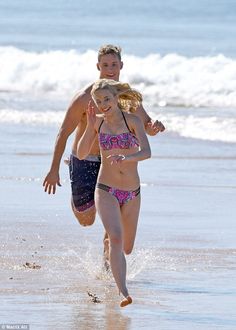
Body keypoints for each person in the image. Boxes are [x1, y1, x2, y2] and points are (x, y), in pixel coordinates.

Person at [43, 45, 164, 246]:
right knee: (86, 219)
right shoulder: (84, 98)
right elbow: (63, 133)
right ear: (98, 66)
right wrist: (53, 169)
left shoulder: (127, 98)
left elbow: (147, 126)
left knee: (115, 215)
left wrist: (155, 127)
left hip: (115, 161)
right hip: (85, 158)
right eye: (105, 64)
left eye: (114, 64)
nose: (110, 68)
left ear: (121, 65)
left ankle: (109, 260)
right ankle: (76, 188)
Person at [77, 79, 151, 307]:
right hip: (106, 189)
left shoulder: (133, 121)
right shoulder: (97, 124)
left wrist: (126, 158)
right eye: (98, 101)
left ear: (117, 97)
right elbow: (80, 153)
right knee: (116, 238)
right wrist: (89, 128)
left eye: (106, 99)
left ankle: (112, 248)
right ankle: (123, 292)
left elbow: (147, 152)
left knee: (126, 247)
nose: (103, 104)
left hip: (132, 193)